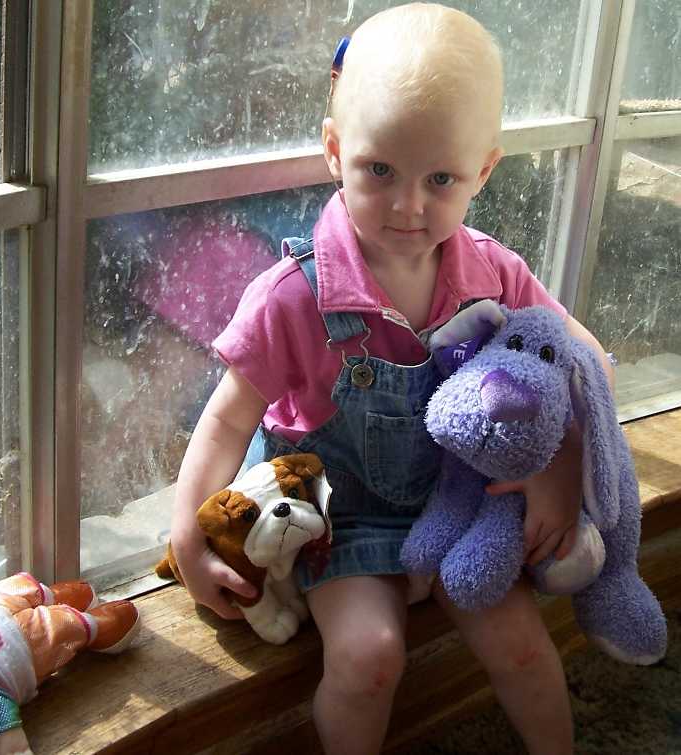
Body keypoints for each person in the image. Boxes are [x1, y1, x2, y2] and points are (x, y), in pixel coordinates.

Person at [168, 5, 613, 754]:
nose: (409, 205)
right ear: (335, 151)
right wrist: (187, 534)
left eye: (441, 178)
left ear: (484, 171)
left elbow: (586, 362)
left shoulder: (494, 272)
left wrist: (563, 463)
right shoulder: (294, 294)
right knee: (369, 657)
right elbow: (226, 419)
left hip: (463, 504)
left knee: (525, 649)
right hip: (347, 522)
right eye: (380, 170)